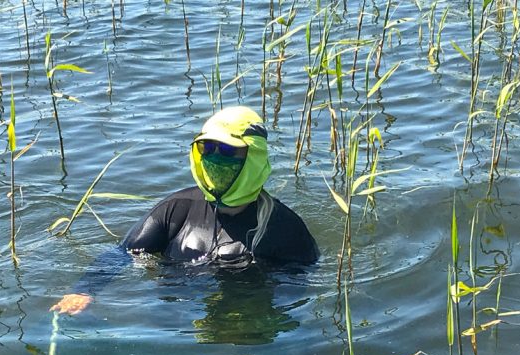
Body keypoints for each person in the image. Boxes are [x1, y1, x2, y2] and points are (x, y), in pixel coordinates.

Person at [51, 106, 319, 315]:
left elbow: (294, 295)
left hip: (247, 319)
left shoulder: (286, 230)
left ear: (254, 156)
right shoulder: (176, 209)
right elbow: (121, 253)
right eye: (207, 148)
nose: (214, 158)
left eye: (226, 150)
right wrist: (84, 291)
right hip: (174, 319)